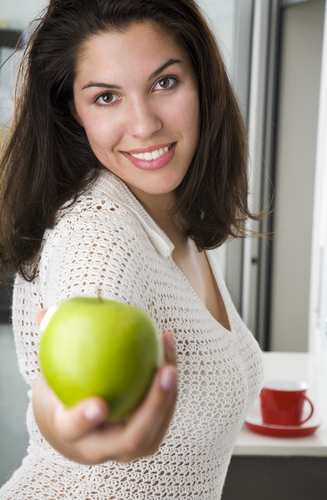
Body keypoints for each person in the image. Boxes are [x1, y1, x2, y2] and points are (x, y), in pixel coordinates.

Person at [0, 0, 264, 498]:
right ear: (71, 112)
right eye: (106, 97)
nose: (144, 125)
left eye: (165, 83)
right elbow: (68, 370)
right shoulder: (98, 230)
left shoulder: (169, 214)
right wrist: (75, 427)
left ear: (203, 84)